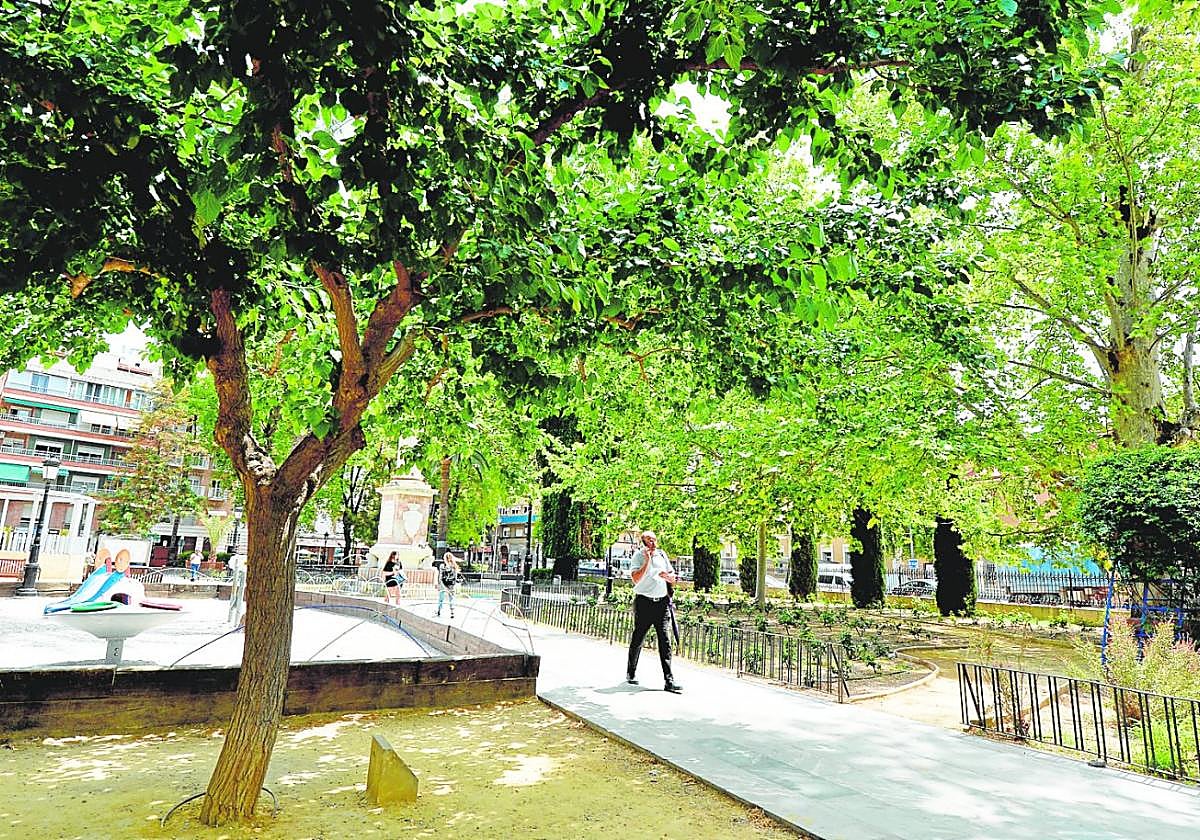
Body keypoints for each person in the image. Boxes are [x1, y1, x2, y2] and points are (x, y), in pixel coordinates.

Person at [626, 530, 682, 693]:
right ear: (643, 541)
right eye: (649, 540)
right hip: (644, 603)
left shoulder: (662, 555)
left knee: (665, 641)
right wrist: (647, 561)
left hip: (662, 604)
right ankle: (631, 672)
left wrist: (670, 577)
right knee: (638, 638)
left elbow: (671, 575)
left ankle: (669, 680)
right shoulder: (638, 556)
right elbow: (635, 578)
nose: (653, 543)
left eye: (655, 540)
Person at [433, 552, 461, 618]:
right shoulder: (454, 566)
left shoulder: (442, 566)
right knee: (451, 598)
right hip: (451, 584)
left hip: (443, 584)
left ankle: (439, 611)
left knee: (441, 599)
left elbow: (440, 577)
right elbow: (455, 577)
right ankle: (452, 612)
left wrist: (441, 585)